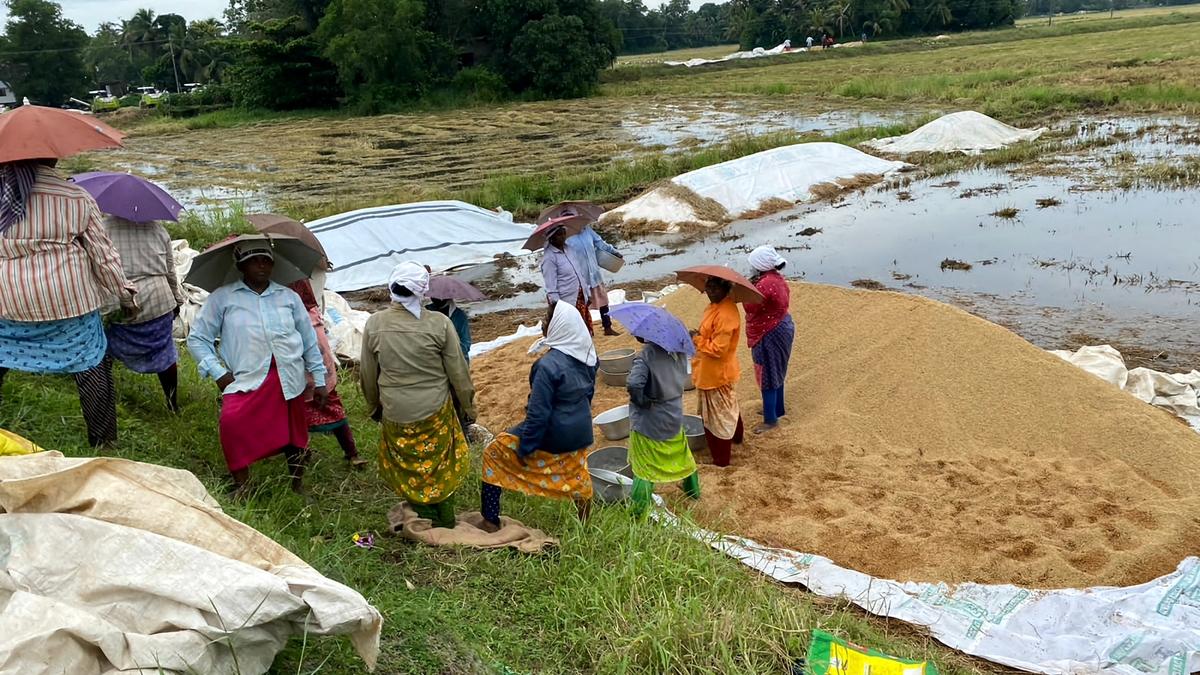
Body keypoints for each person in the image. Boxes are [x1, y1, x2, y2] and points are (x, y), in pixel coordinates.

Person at [0, 159, 139, 447]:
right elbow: (104, 257)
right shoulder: (75, 196)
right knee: (91, 365)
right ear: (53, 158)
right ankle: (104, 442)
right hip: (68, 302)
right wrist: (125, 295)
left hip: (7, 301)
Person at [187, 241, 327, 496]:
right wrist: (218, 372)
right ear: (241, 265)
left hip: (288, 376)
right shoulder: (224, 297)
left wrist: (318, 378)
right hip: (247, 377)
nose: (261, 265)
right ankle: (243, 485)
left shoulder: (288, 297)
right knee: (232, 423)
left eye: (266, 260)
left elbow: (309, 341)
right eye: (254, 260)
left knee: (293, 433)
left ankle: (297, 483)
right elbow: (197, 339)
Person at [360, 262, 475, 529]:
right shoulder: (440, 324)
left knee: (409, 465)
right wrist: (468, 406)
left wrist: (374, 405)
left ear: (392, 287)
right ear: (423, 290)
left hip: (395, 409)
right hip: (435, 410)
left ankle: (424, 515)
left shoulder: (374, 324)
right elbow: (459, 374)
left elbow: (367, 375)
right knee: (440, 464)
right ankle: (443, 517)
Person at [479, 300, 597, 532]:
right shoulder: (589, 357)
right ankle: (585, 525)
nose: (543, 323)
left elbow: (538, 414)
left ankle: (490, 521)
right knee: (578, 477)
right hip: (582, 433)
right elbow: (589, 395)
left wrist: (527, 447)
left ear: (559, 327)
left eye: (547, 319)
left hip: (554, 434)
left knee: (492, 453)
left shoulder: (547, 365)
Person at [102, 215, 184, 412]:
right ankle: (172, 404)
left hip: (119, 302)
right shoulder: (158, 229)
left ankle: (104, 397)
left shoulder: (101, 229)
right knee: (164, 352)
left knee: (105, 350)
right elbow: (170, 271)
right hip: (158, 300)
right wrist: (177, 300)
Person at [287, 279, 365, 469]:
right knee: (326, 412)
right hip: (315, 374)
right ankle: (350, 453)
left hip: (311, 375)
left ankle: (307, 452)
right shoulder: (313, 313)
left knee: (301, 416)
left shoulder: (300, 316)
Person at [627, 336, 700, 516]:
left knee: (645, 467)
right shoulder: (679, 352)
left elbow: (634, 384)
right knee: (682, 454)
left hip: (650, 420)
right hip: (674, 413)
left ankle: (638, 510)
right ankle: (693, 491)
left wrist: (642, 401)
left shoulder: (646, 356)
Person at [692, 277, 744, 467]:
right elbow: (708, 334)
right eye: (708, 288)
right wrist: (698, 335)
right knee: (729, 406)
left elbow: (718, 349)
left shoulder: (726, 313)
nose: (710, 292)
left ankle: (721, 459)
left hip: (716, 372)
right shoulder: (715, 306)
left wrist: (697, 340)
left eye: (715, 288)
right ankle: (737, 438)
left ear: (725, 288)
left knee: (716, 418)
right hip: (711, 368)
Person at [744, 246, 795, 434]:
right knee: (777, 371)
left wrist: (747, 288)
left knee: (766, 374)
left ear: (759, 267)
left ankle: (770, 420)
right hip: (782, 326)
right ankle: (777, 409)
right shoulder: (776, 279)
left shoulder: (764, 285)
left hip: (769, 333)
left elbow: (750, 307)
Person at [565, 224, 622, 336]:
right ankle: (585, 333)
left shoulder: (587, 230)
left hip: (594, 274)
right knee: (583, 306)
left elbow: (600, 243)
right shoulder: (565, 237)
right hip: (579, 278)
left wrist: (614, 252)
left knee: (603, 301)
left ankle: (607, 327)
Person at [540, 226, 593, 336]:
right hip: (566, 301)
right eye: (559, 235)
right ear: (552, 238)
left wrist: (587, 293)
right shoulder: (549, 258)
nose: (563, 237)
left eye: (564, 233)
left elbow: (579, 273)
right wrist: (558, 307)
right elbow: (551, 287)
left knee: (584, 329)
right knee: (572, 331)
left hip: (579, 297)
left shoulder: (569, 249)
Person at [427, 296, 472, 363]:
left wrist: (449, 353)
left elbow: (465, 342)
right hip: (432, 359)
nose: (434, 298)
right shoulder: (427, 311)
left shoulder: (459, 316)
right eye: (433, 296)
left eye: (437, 296)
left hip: (455, 360)